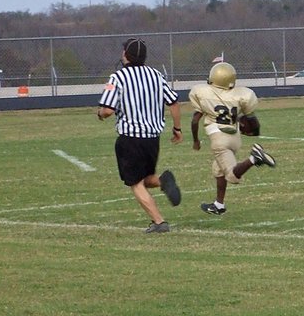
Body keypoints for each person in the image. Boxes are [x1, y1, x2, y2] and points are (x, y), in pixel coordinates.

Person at [97, 38, 183, 233]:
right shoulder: (156, 75)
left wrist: (100, 114)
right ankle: (163, 181)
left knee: (135, 183)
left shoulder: (117, 77)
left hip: (130, 137)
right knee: (146, 178)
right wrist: (177, 129)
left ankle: (159, 222)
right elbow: (174, 103)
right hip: (153, 138)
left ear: (126, 55)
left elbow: (108, 110)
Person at [189, 62, 275, 216]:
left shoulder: (204, 94)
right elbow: (252, 120)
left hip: (219, 139)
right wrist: (254, 131)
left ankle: (254, 159)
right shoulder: (240, 95)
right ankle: (219, 205)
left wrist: (195, 141)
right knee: (218, 170)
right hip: (234, 138)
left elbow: (195, 121)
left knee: (232, 176)